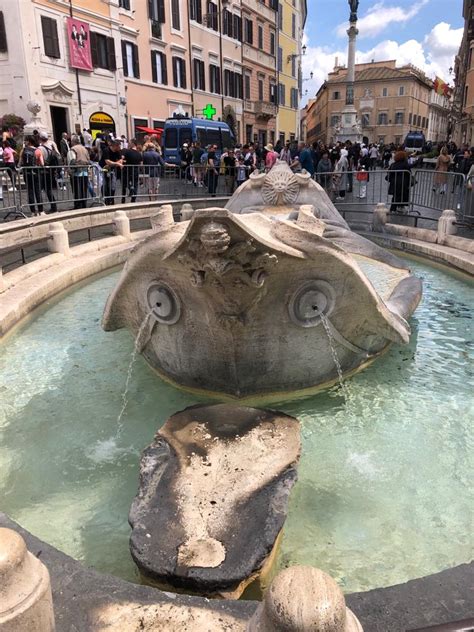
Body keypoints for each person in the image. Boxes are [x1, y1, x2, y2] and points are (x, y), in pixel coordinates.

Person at [19, 136, 44, 215]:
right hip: (36, 173)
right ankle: (41, 210)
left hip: (27, 173)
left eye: (26, 141)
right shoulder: (37, 151)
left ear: (29, 142)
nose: (25, 142)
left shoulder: (23, 150)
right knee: (38, 191)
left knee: (30, 192)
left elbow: (19, 163)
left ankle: (33, 211)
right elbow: (42, 164)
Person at [37, 131, 58, 212]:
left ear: (40, 139)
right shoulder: (50, 147)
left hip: (43, 171)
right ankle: (54, 206)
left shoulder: (40, 148)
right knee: (49, 190)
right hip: (50, 171)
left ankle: (40, 209)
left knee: (39, 190)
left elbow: (39, 160)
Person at [68, 135, 90, 209]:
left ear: (73, 142)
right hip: (85, 172)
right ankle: (84, 205)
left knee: (77, 191)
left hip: (76, 173)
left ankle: (78, 206)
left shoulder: (73, 149)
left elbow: (72, 161)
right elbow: (88, 159)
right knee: (84, 190)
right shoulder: (85, 149)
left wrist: (70, 171)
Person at [99, 138, 123, 205]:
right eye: (118, 146)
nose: (120, 148)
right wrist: (117, 163)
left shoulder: (118, 151)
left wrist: (114, 163)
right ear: (115, 146)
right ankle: (106, 199)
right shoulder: (106, 150)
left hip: (112, 169)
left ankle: (111, 199)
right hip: (103, 168)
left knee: (113, 186)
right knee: (105, 184)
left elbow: (121, 160)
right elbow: (107, 161)